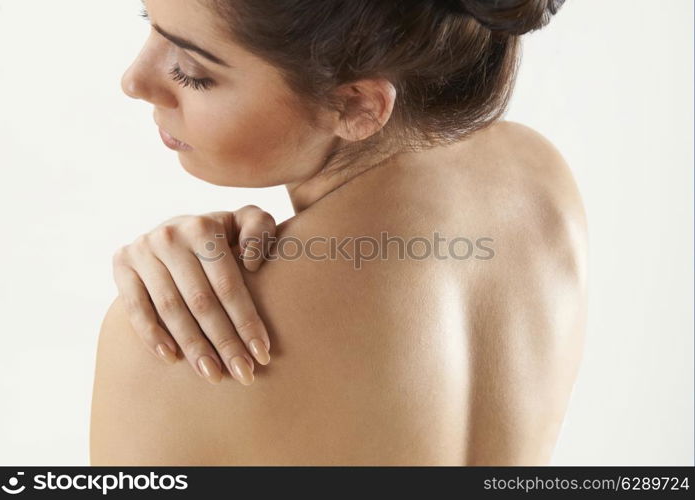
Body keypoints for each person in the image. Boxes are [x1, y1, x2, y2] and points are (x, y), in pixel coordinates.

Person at [90, 0, 587, 465]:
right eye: (148, 20)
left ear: (356, 107)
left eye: (192, 71)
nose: (134, 81)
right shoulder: (536, 177)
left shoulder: (180, 342)